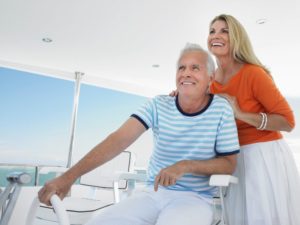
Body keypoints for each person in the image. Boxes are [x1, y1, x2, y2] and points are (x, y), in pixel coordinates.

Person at [38, 43, 240, 225]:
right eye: (181, 67)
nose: (186, 73)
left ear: (210, 78)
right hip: (152, 194)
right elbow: (118, 139)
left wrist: (186, 165)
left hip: (194, 198)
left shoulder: (221, 109)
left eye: (195, 68)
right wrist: (69, 177)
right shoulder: (158, 104)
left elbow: (229, 164)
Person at [207, 14, 300, 225]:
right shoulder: (210, 81)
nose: (216, 35)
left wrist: (240, 113)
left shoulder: (254, 74)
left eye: (224, 31)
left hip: (263, 157)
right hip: (234, 158)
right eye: (212, 31)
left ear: (236, 38)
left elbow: (287, 121)